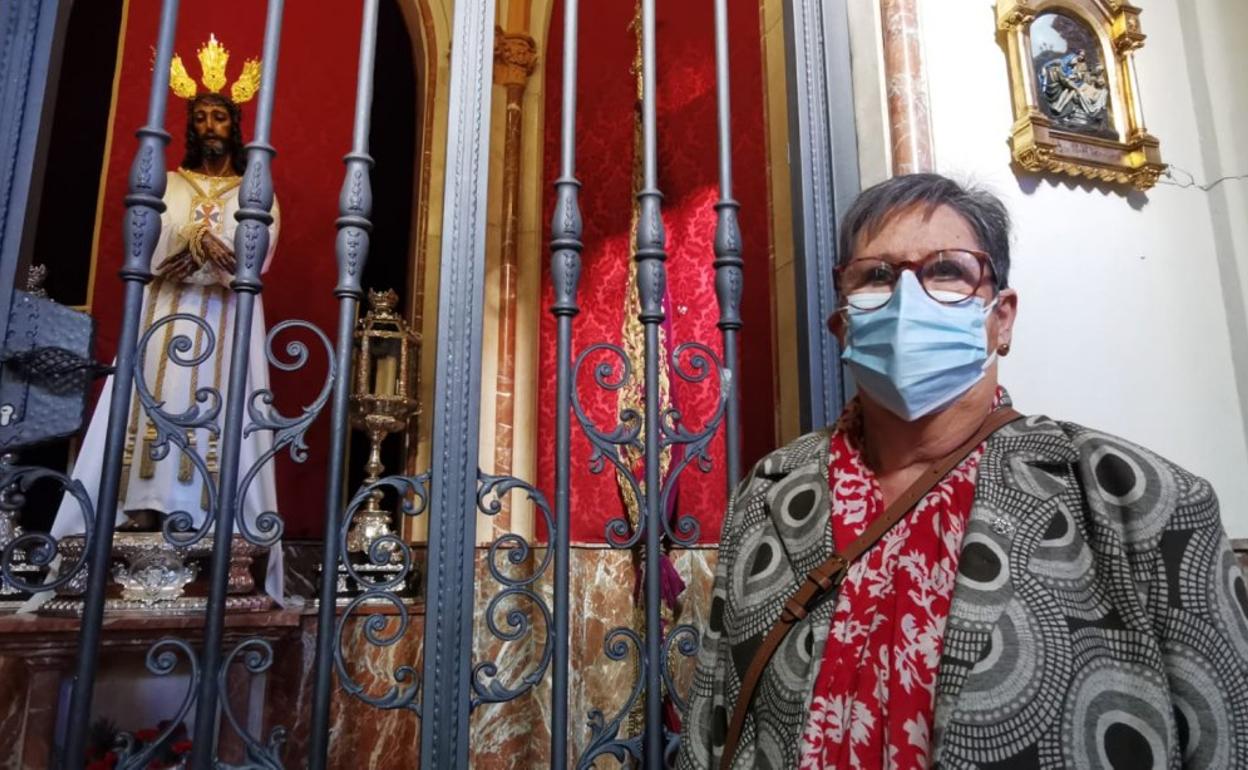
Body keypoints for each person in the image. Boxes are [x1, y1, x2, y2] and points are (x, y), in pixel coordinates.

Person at [677, 173, 1248, 769]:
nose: (906, 299)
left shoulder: (1137, 500)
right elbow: (711, 724)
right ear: (842, 323)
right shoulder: (769, 494)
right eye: (876, 276)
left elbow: (1225, 738)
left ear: (1002, 318)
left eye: (946, 270)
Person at [48, 36, 282, 599]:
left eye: (219, 116)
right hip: (166, 314)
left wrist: (210, 253)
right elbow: (148, 244)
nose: (210, 125)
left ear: (235, 124)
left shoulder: (256, 189)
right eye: (200, 116)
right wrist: (190, 250)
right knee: (153, 405)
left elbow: (256, 248)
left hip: (228, 314)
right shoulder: (169, 183)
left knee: (220, 407)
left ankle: (213, 515)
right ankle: (141, 507)